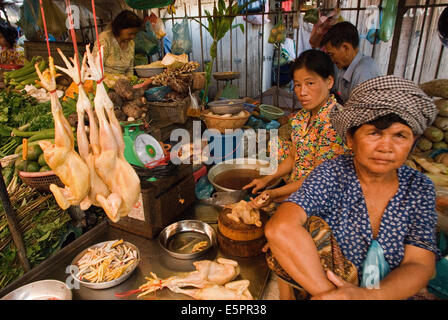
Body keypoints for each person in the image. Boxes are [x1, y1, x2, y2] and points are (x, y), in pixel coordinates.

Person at [264, 75, 440, 300]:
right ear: (350, 138)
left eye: (400, 136)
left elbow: (419, 264)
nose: (386, 147)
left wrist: (367, 297)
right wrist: (333, 295)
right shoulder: (332, 174)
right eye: (374, 133)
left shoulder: (419, 188)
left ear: (412, 143)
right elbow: (280, 228)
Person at [244, 49, 348, 205]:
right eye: (298, 85)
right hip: (299, 180)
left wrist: (274, 193)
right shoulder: (304, 115)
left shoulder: (334, 122)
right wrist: (266, 179)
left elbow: (318, 180)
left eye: (310, 83)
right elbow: (293, 156)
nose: (302, 92)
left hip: (319, 192)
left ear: (329, 82)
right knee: (275, 143)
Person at [320, 21, 380, 104]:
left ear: (345, 48)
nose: (331, 59)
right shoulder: (344, 67)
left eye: (332, 54)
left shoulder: (364, 71)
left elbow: (361, 112)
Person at [93, 10, 143, 77]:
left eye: (135, 34)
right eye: (130, 33)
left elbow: (129, 70)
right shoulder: (105, 39)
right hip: (103, 83)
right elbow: (95, 67)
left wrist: (129, 82)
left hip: (123, 84)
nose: (133, 37)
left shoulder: (131, 44)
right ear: (119, 28)